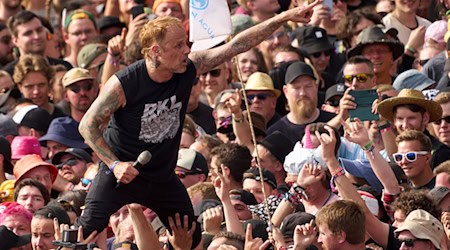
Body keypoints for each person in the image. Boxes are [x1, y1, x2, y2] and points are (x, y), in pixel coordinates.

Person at [77, 3, 319, 248]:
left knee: (191, 237)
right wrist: (114, 164)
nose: (187, 50)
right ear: (155, 51)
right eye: (179, 45)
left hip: (161, 177)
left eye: (186, 43)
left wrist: (284, 17)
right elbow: (87, 126)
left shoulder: (187, 69)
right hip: (120, 175)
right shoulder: (125, 83)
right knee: (81, 236)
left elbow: (236, 45)